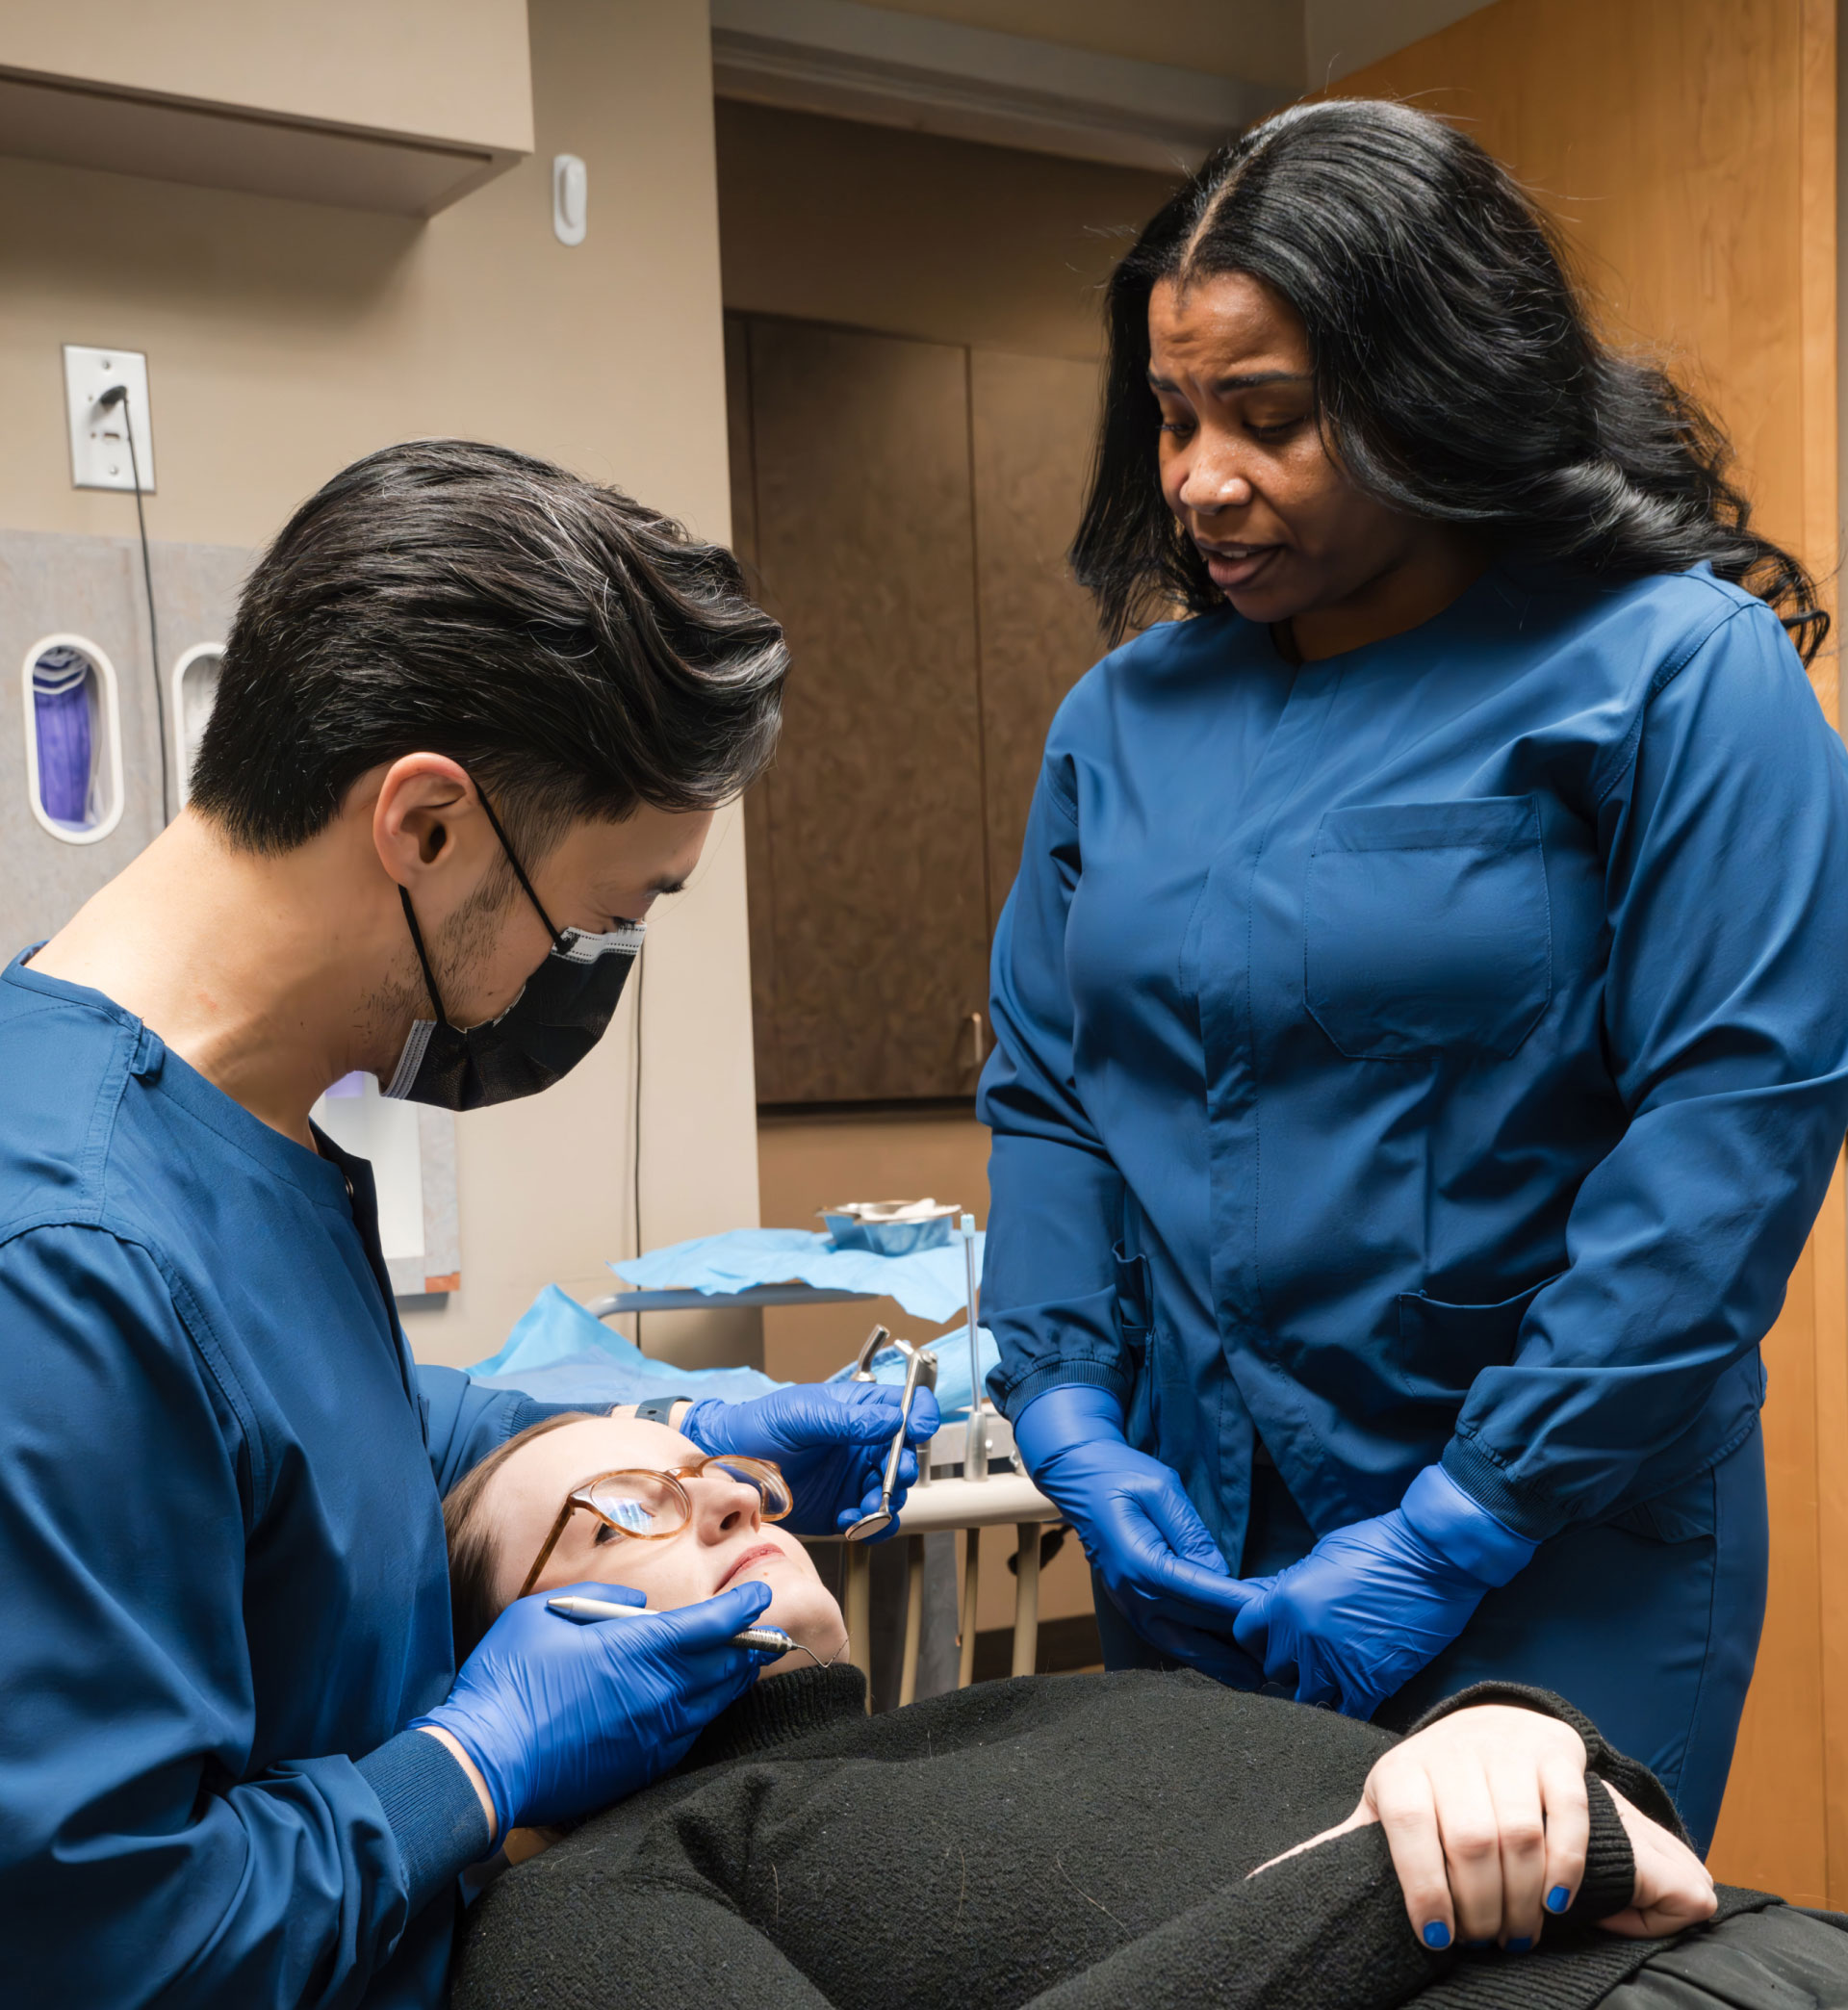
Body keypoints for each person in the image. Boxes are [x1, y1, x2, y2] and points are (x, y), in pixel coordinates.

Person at [976, 94, 1848, 1855]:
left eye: (1270, 418)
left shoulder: (1678, 674)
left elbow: (1729, 1134)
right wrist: (1068, 1411)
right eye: (1171, 414)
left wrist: (1467, 1516)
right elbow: (1051, 1091)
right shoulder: (1121, 722)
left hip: (1558, 1543)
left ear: (1438, 385)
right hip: (1204, 1544)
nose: (1200, 476)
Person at [0, 441, 937, 2009]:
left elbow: (293, 1434)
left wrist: (669, 1419)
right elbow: (106, 1951)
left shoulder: (237, 1131)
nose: (585, 972)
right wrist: (469, 1769)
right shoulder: (68, 1263)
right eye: (605, 917)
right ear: (426, 826)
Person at [445, 1411, 1848, 2010]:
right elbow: (1379, 1853)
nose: (734, 1501)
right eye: (628, 1511)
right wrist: (1385, 1879)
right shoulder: (582, 1901)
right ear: (511, 1659)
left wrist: (1515, 1732)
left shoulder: (1011, 1717)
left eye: (719, 1470)